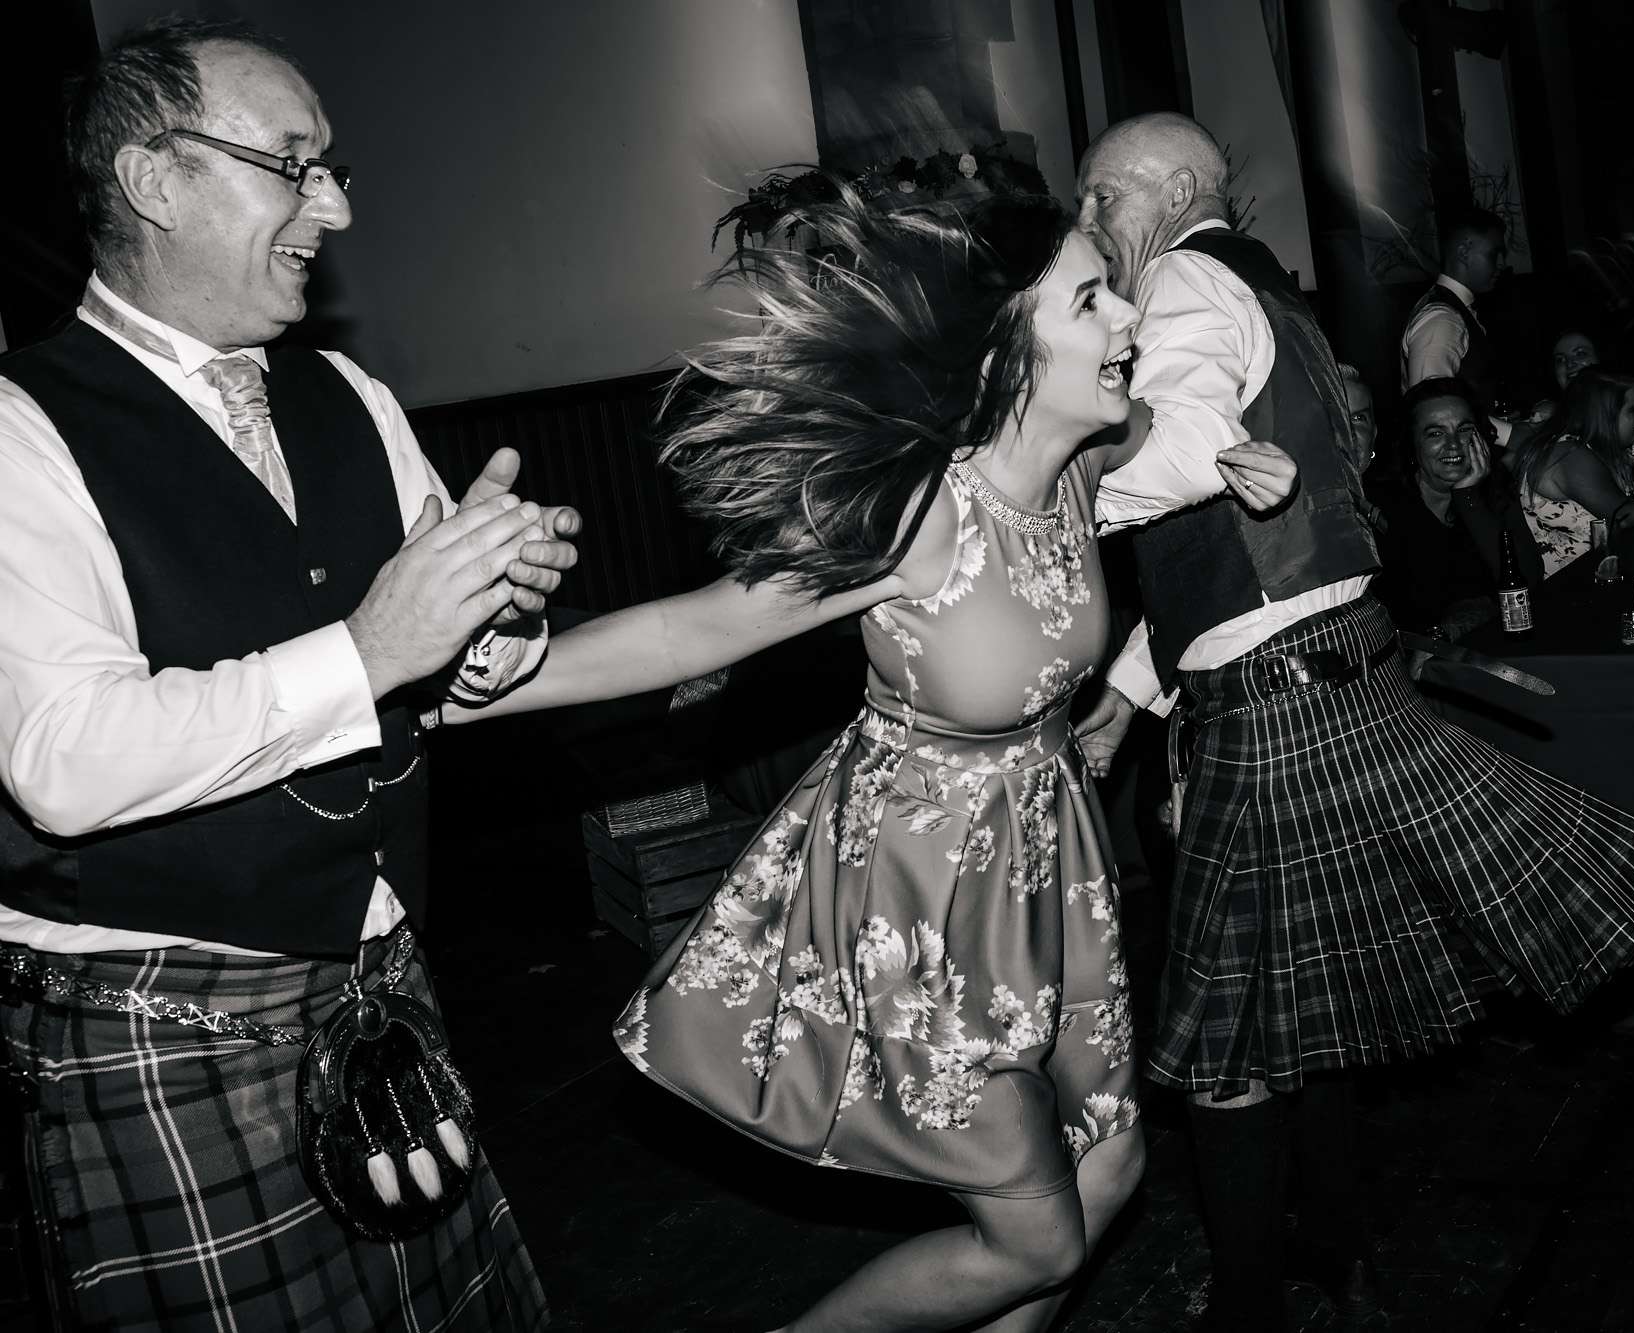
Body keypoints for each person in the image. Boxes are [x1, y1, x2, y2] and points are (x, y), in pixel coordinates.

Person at [446, 191, 1298, 1333]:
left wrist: (1244, 459)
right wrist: (497, 677)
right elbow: (695, 630)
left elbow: (1184, 426)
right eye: (1092, 298)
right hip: (920, 890)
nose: (1130, 317)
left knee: (1106, 1172)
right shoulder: (922, 515)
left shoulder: (1086, 464)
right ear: (1006, 346)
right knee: (1036, 1231)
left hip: (1047, 866)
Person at [1071, 111, 1634, 1331]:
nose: (1087, 227)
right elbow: (1239, 556)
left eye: (1096, 199)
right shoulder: (1276, 298)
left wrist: (1037, 490)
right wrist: (1123, 704)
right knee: (1307, 1014)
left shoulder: (1187, 278)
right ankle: (1341, 1255)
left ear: (1160, 192)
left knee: (1226, 1048)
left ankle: (1247, 1305)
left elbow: (1189, 453)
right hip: (1330, 669)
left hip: (1275, 711)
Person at [0, 19, 571, 1329]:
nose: (338, 204)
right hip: (162, 1017)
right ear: (156, 180)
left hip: (382, 982)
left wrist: (490, 623)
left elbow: (445, 651)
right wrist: (377, 646)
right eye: (296, 164)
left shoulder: (346, 393)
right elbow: (66, 761)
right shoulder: (19, 429)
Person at [1374, 377, 1545, 637]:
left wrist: (1468, 497)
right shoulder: (1387, 505)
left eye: (1464, 430)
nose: (1453, 444)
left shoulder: (1493, 489)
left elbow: (1527, 582)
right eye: (1435, 433)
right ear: (1411, 444)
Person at [1512, 367, 1634, 577]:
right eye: (1633, 409)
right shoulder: (1568, 455)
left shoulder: (1598, 451)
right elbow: (1627, 516)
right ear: (1606, 416)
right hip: (1569, 594)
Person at [1401, 207, 1507, 406]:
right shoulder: (1442, 318)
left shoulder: (1454, 310)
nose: (1502, 263)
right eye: (1494, 254)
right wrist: (1509, 435)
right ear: (1464, 252)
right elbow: (1434, 406)